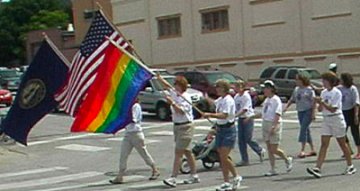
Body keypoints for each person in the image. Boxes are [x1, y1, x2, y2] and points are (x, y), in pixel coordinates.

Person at [307, 72, 356, 178]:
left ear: (330, 81)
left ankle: (350, 165)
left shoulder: (337, 93)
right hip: (326, 120)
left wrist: (322, 102)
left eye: (324, 80)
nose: (323, 82)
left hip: (336, 119)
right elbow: (321, 109)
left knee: (342, 144)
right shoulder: (324, 92)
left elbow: (333, 109)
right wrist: (318, 103)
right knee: (324, 144)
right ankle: (318, 167)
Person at [158, 75, 200, 188]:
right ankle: (194, 175)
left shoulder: (185, 97)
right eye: (175, 84)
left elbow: (181, 111)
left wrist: (172, 103)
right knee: (187, 152)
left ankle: (173, 177)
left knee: (179, 152)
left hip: (185, 126)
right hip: (177, 126)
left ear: (182, 86)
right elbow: (167, 86)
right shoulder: (175, 92)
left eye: (177, 84)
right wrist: (159, 78)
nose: (175, 86)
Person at [202, 79, 242, 191]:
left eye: (219, 87)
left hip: (228, 130)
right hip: (220, 130)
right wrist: (205, 97)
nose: (217, 89)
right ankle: (226, 182)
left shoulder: (228, 100)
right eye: (216, 87)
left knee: (224, 156)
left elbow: (224, 115)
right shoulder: (221, 100)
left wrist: (210, 114)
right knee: (221, 157)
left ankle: (236, 176)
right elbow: (213, 102)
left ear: (225, 88)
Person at [110, 99, 160, 184]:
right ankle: (120, 176)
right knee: (123, 155)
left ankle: (155, 169)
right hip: (128, 134)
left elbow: (133, 119)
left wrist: (125, 115)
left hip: (136, 134)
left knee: (144, 153)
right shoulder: (127, 107)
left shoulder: (136, 106)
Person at [284, 73, 317, 158]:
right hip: (300, 111)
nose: (296, 81)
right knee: (306, 130)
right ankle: (312, 149)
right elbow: (292, 99)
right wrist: (286, 107)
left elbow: (313, 102)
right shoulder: (296, 89)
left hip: (308, 111)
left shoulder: (309, 90)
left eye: (298, 80)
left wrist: (313, 113)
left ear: (302, 80)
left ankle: (302, 150)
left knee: (303, 129)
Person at [234, 80, 266, 166]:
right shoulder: (236, 96)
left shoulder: (246, 96)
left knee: (248, 138)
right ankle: (244, 159)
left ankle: (259, 150)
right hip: (241, 119)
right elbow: (235, 107)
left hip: (248, 118)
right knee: (241, 140)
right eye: (236, 86)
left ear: (242, 87)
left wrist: (235, 115)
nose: (236, 88)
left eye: (238, 86)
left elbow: (245, 109)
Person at [338, 73, 360, 159]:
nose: (340, 80)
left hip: (352, 111)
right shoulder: (339, 88)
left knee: (355, 132)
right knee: (342, 132)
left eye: (341, 79)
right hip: (343, 112)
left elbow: (356, 103)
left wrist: (356, 115)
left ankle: (359, 151)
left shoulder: (352, 89)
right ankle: (348, 149)